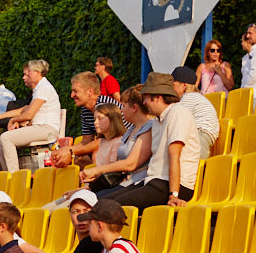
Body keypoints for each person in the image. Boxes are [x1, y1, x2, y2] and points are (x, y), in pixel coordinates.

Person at [102, 72, 198, 211]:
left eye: (146, 98)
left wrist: (173, 195)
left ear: (158, 97)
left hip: (172, 185)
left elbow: (174, 154)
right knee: (103, 203)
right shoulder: (157, 121)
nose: (144, 103)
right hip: (155, 182)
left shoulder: (178, 112)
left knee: (112, 207)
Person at [80, 87, 154, 198]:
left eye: (123, 106)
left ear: (134, 108)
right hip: (126, 183)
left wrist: (96, 171)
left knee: (97, 202)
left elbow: (130, 164)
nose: (121, 110)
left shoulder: (148, 127)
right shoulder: (130, 130)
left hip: (138, 182)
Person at [0, 60, 62, 173]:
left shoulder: (44, 87)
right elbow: (28, 114)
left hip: (47, 129)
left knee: (6, 138)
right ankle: (7, 175)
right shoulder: (38, 89)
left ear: (37, 72)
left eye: (28, 73)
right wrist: (18, 121)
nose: (24, 77)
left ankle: (14, 176)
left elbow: (29, 114)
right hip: (40, 127)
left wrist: (13, 119)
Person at [51, 71, 119, 169]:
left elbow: (104, 141)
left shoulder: (104, 105)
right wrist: (65, 150)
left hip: (126, 147)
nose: (71, 95)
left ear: (90, 91)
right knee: (78, 159)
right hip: (110, 147)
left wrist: (70, 151)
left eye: (75, 91)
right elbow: (86, 141)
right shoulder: (86, 110)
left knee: (97, 154)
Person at [170, 66, 220, 161]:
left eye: (173, 84)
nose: (171, 88)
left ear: (183, 85)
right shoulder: (196, 97)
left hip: (199, 138)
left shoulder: (188, 98)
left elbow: (178, 123)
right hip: (202, 138)